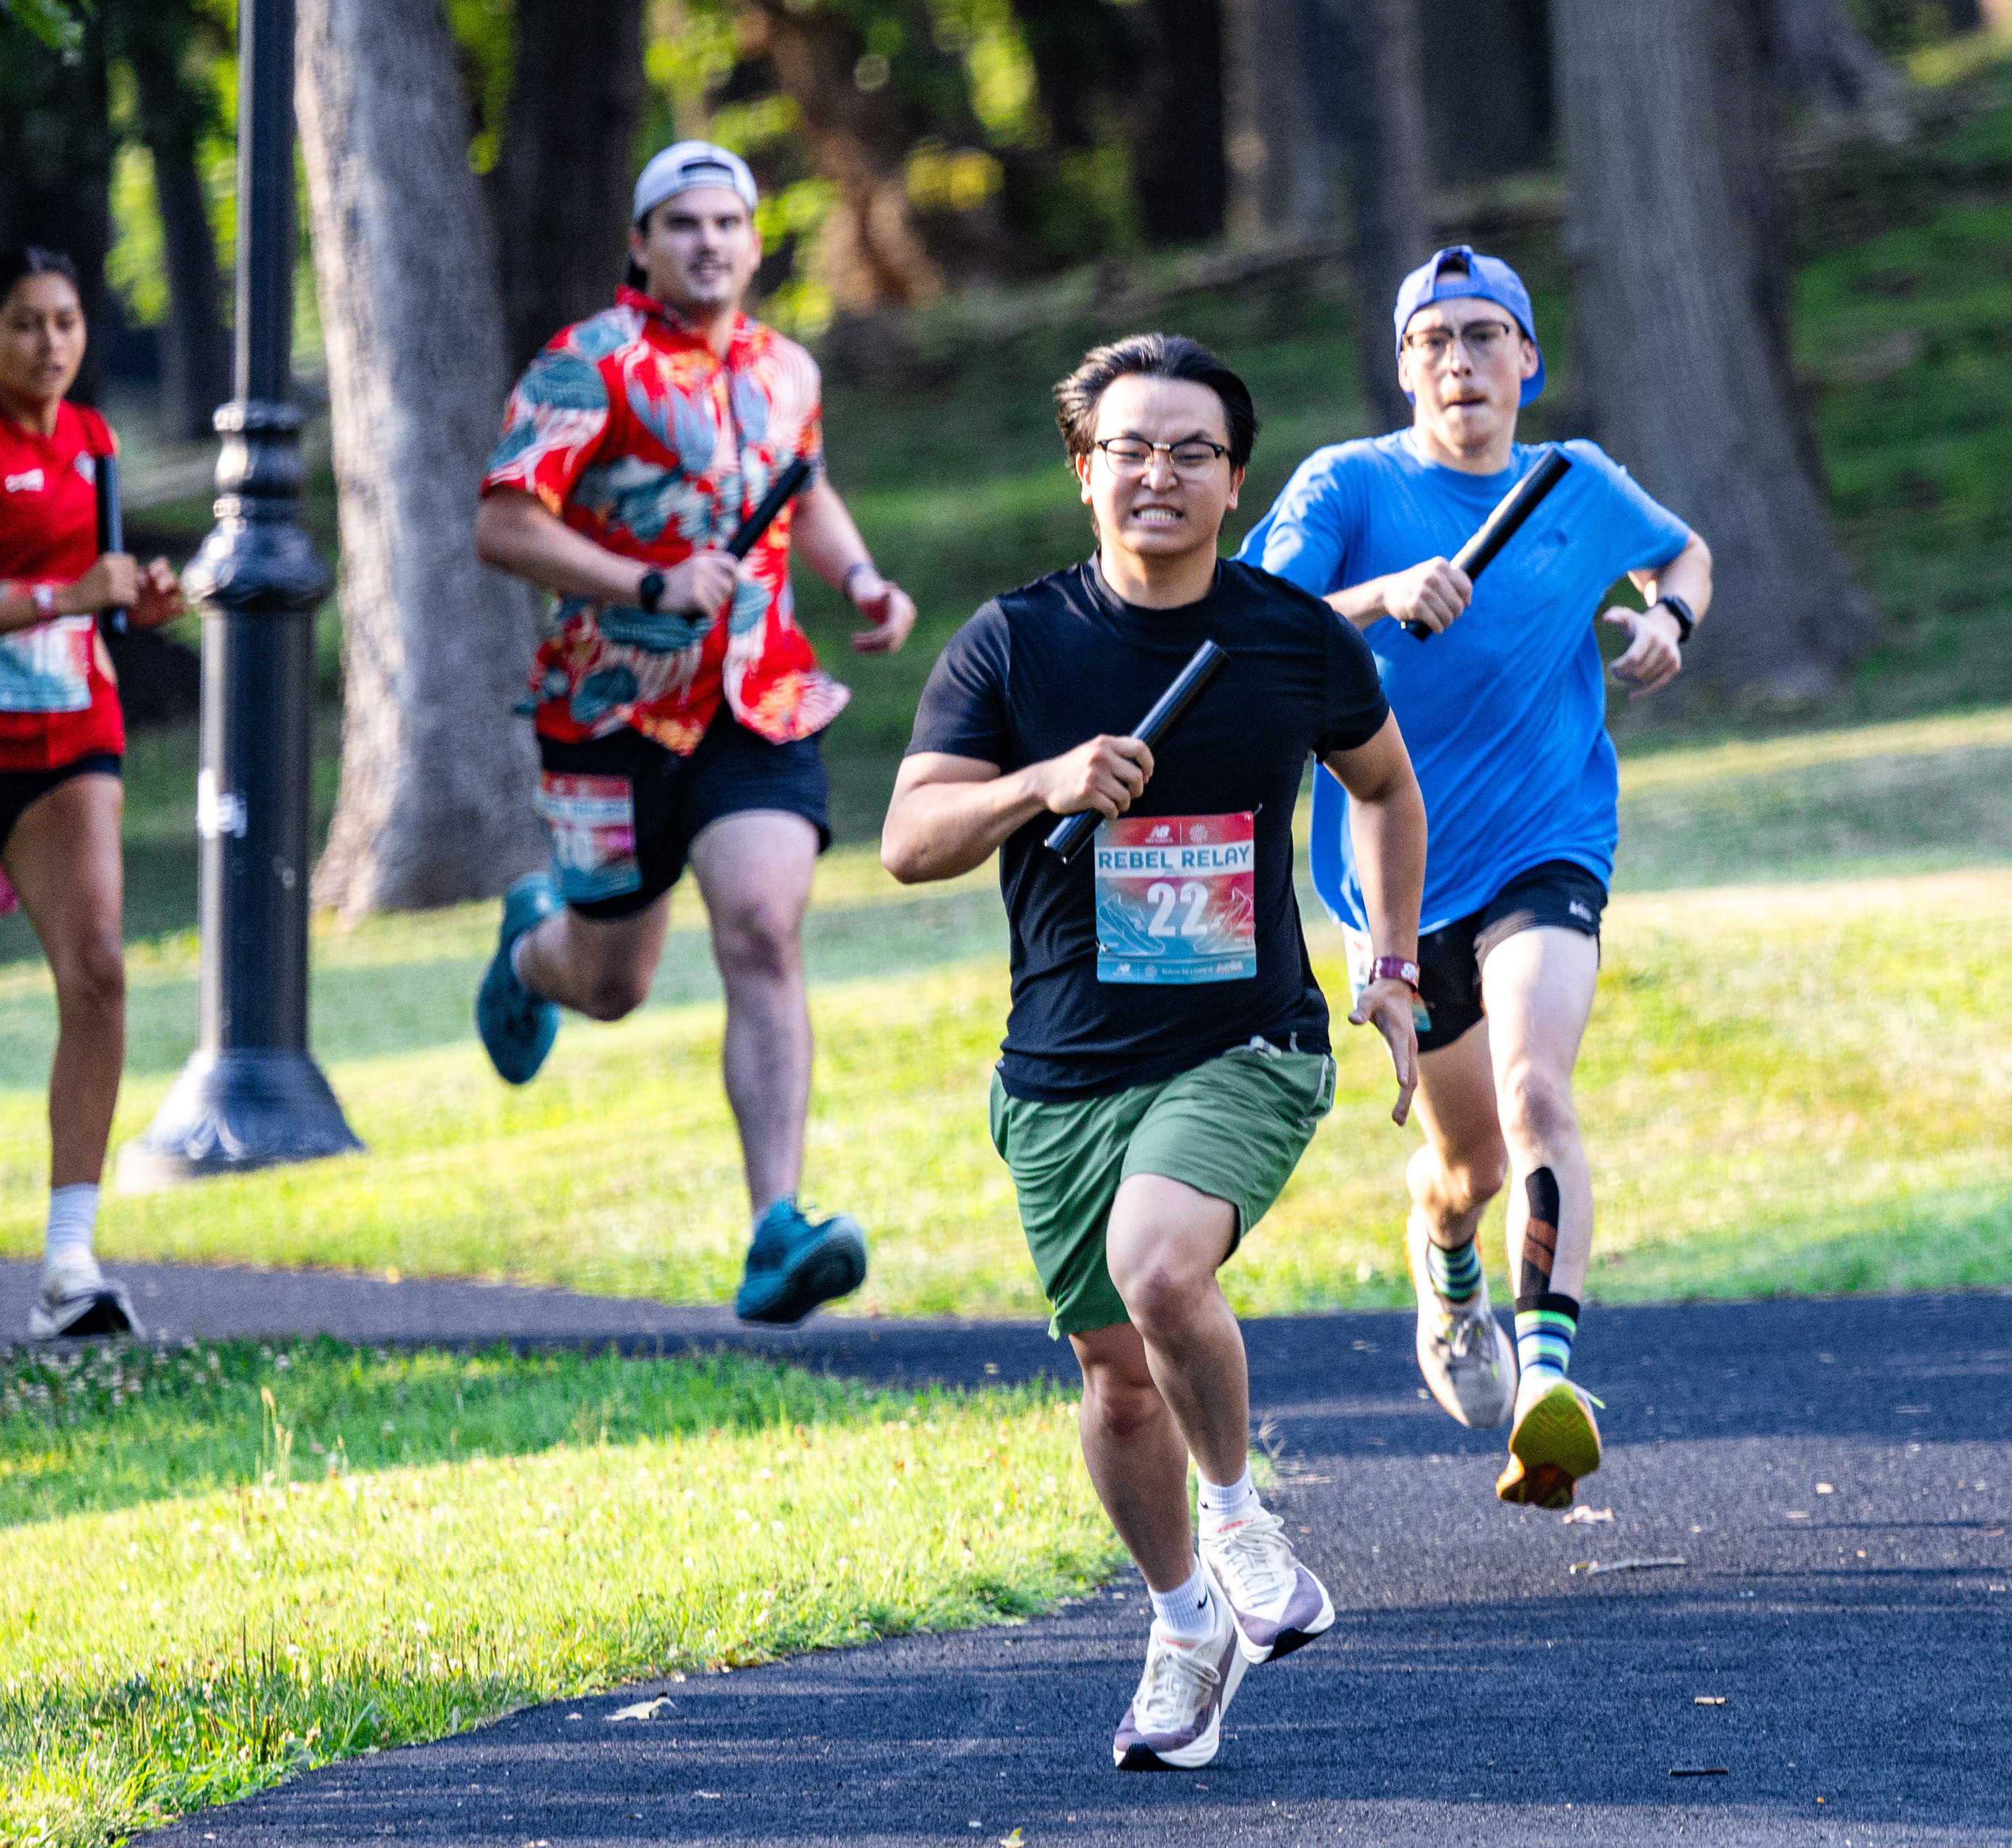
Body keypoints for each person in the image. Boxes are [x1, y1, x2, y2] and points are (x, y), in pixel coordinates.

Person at [882, 333, 1425, 1771]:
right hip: (1061, 1069)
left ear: (1236, 481)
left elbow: (1386, 788)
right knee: (1120, 1380)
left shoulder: (1293, 637)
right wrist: (1043, 782)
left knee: (1163, 1266)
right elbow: (908, 840)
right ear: (1085, 471)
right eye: (1130, 447)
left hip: (1245, 1042)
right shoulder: (1013, 642)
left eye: (1194, 451)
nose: (1160, 473)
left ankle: (1241, 1523)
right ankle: (1186, 1625)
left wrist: (1389, 962)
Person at [1238, 245, 1714, 1509]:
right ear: (1403, 367)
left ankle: (1549, 1378)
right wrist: (1384, 593)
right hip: (1395, 878)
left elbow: (1684, 552)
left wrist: (1668, 618)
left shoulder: (1574, 482)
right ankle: (1446, 1258)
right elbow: (1256, 620)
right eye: (1433, 339)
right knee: (1472, 1166)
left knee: (1536, 1089)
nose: (1460, 360)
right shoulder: (1348, 485)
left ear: (1528, 359)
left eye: (1484, 334)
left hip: (1548, 845)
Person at [471, 141, 918, 1327]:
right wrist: (645, 583)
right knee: (612, 984)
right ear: (642, 244)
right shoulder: (588, 365)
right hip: (609, 710)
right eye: (683, 224)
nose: (708, 243)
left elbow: (802, 490)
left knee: (763, 931)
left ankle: (777, 1227)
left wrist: (862, 579)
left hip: (756, 700)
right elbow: (505, 525)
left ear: (756, 243)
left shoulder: (786, 369)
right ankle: (533, 953)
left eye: (727, 223)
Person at [0, 245, 183, 1340]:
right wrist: (58, 596)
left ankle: (68, 1264)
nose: (49, 342)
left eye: (64, 321)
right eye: (24, 323)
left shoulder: (95, 440)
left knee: (100, 968)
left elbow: (95, 596)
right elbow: (54, 591)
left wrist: (135, 603)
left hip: (69, 734)